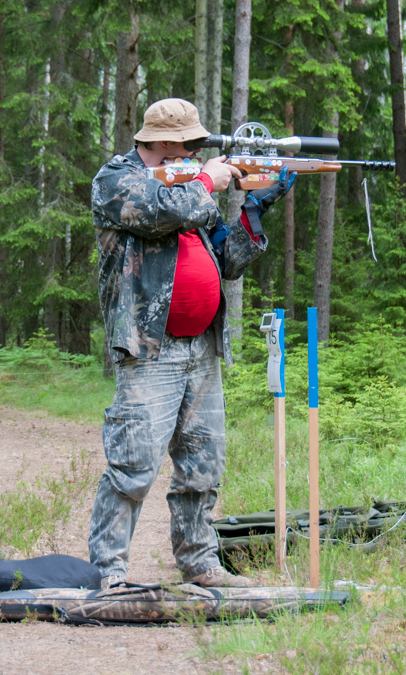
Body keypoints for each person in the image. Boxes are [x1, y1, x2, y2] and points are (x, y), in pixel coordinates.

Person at [88, 98, 295, 588]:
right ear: (160, 142)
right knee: (133, 464)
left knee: (203, 464)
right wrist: (207, 180)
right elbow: (160, 213)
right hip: (148, 349)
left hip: (201, 349)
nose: (194, 152)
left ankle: (200, 564)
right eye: (187, 146)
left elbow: (226, 259)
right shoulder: (117, 181)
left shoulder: (186, 187)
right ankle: (107, 574)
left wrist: (254, 211)